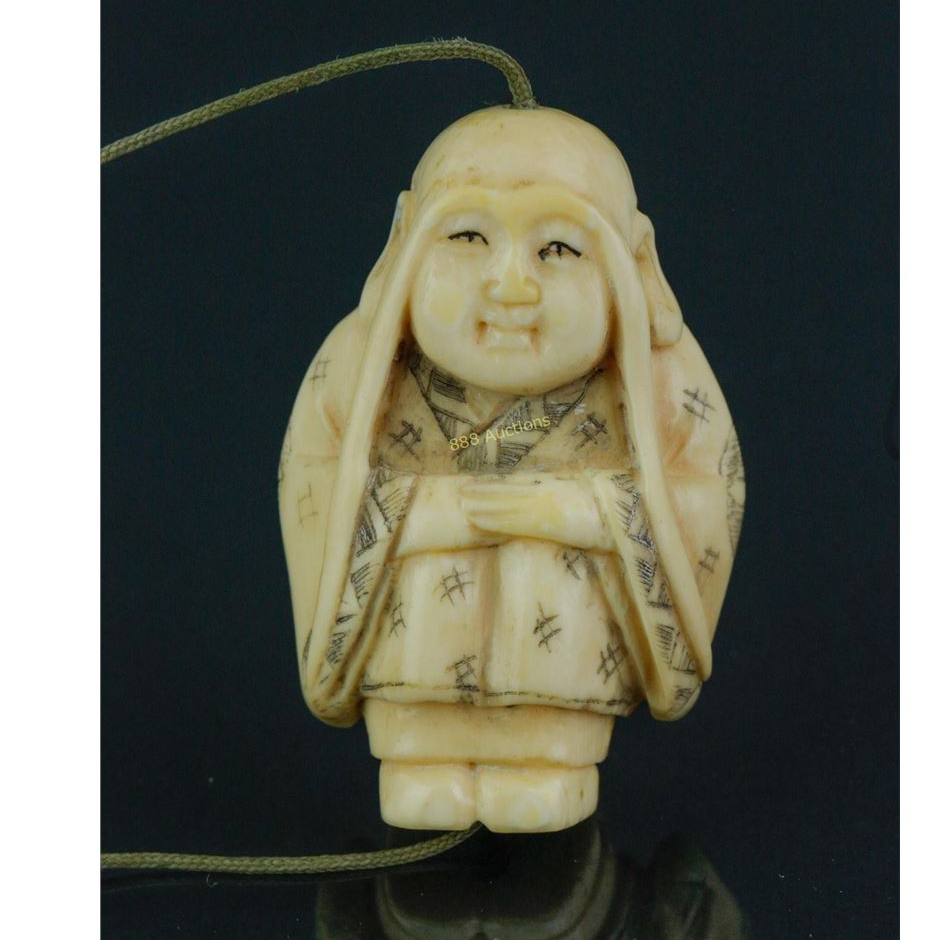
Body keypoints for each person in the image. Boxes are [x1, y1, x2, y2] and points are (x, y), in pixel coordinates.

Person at [279, 106, 745, 832]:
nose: (511, 286)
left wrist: (584, 513)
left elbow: (709, 488)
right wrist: (426, 515)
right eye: (468, 237)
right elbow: (311, 475)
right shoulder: (356, 365)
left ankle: (548, 761)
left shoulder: (661, 379)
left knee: (542, 779)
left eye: (558, 247)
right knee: (420, 779)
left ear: (634, 259)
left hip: (562, 667)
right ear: (405, 238)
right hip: (412, 656)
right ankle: (419, 757)